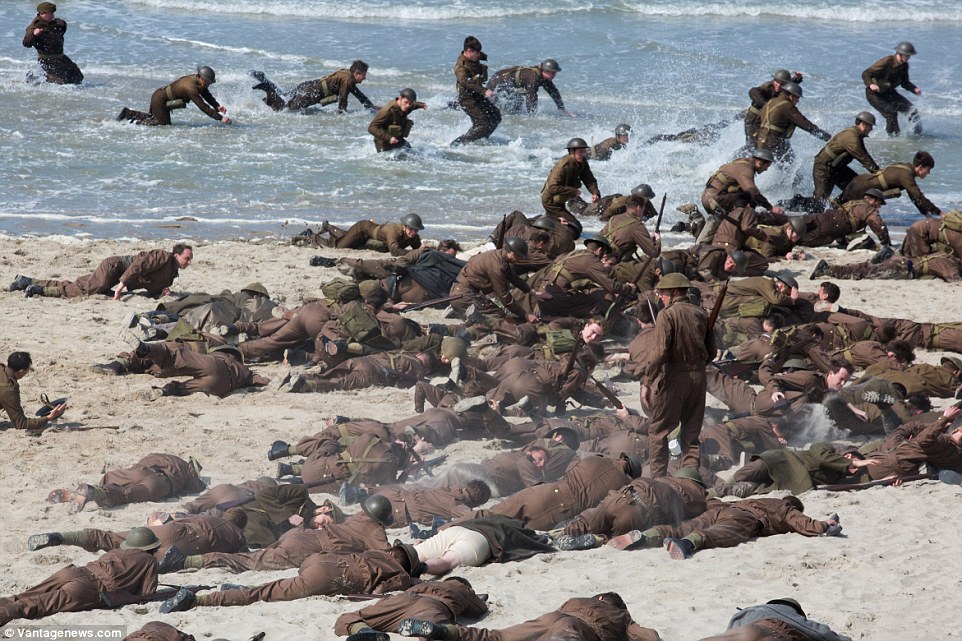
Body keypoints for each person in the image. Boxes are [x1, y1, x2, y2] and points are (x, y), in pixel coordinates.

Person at [159, 542, 422, 612]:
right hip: (329, 578)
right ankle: (198, 601)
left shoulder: (376, 552)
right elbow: (379, 595)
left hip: (321, 559)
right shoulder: (400, 575)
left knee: (273, 586)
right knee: (261, 594)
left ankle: (234, 588)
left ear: (393, 551)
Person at [642, 273, 713, 477]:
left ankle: (658, 481)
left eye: (663, 293)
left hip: (675, 377)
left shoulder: (667, 314)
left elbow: (659, 352)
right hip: (699, 377)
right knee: (691, 435)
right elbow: (713, 352)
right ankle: (690, 480)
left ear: (674, 292)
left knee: (659, 432)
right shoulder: (701, 313)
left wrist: (647, 381)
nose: (660, 297)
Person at [614, 495, 841, 559]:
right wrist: (823, 525)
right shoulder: (784, 507)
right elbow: (800, 522)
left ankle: (645, 536)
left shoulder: (760, 498)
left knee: (681, 526)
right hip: (741, 518)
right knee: (718, 534)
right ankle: (687, 544)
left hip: (720, 507)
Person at [0, 539, 158, 626]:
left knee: (24, 596)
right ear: (150, 548)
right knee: (36, 604)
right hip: (88, 588)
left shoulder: (116, 551)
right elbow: (147, 594)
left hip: (73, 572)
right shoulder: (150, 560)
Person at [396, 592, 661, 641]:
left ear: (599, 597)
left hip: (549, 618)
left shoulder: (577, 599)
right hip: (575, 629)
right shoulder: (621, 615)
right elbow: (649, 637)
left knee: (493, 637)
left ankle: (444, 631)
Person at [11, 243, 193, 299]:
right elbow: (139, 265)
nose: (189, 262)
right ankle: (39, 290)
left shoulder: (171, 275)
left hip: (119, 278)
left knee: (79, 285)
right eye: (187, 258)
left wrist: (161, 294)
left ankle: (28, 281)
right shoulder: (163, 256)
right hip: (114, 268)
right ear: (176, 255)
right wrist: (121, 287)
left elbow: (150, 290)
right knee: (85, 290)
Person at [47, 453, 206, 514]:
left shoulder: (161, 456)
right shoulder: (187, 469)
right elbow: (197, 487)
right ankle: (97, 494)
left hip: (141, 470)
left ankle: (92, 490)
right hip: (160, 483)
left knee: (110, 478)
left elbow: (142, 460)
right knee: (126, 494)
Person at [335, 578, 489, 640]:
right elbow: (480, 609)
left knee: (349, 617)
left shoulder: (427, 582)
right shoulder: (462, 588)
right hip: (430, 606)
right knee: (434, 633)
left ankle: (365, 631)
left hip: (401, 599)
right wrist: (473, 597)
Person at [698, 149, 783, 245]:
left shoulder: (742, 163)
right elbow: (752, 191)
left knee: (744, 199)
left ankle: (700, 222)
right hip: (715, 200)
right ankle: (745, 230)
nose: (766, 169)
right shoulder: (746, 169)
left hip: (710, 197)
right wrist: (770, 207)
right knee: (748, 199)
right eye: (767, 166)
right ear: (760, 163)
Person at [448, 238, 536, 321]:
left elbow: (512, 277)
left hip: (459, 292)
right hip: (464, 296)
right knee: (498, 316)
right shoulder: (497, 266)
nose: (521, 260)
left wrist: (531, 291)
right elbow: (504, 296)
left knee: (491, 314)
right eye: (520, 257)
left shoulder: (497, 255)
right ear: (513, 254)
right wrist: (526, 315)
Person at [838, 151, 940, 218]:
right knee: (846, 214)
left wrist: (927, 214)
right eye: (928, 170)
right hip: (861, 188)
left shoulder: (905, 168)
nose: (928, 173)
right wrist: (940, 213)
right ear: (921, 167)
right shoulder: (906, 176)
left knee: (838, 208)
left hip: (859, 181)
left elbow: (915, 198)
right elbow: (919, 198)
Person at [698, 598, 854, 641]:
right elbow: (825, 635)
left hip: (748, 629)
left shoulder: (749, 610)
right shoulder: (792, 615)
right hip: (777, 632)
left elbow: (731, 627)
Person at [118, 67, 230, 126]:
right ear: (201, 78)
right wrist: (221, 118)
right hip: (160, 99)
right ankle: (132, 120)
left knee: (155, 119)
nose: (209, 84)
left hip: (162, 98)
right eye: (208, 81)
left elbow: (205, 93)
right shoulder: (190, 88)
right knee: (161, 124)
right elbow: (203, 107)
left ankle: (128, 114)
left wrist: (217, 106)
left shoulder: (198, 81)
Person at [250, 61, 375, 113]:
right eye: (364, 75)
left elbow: (358, 94)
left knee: (285, 97)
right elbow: (343, 101)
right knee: (283, 109)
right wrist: (342, 116)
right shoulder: (348, 79)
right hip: (310, 93)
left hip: (308, 87)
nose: (364, 78)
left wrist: (370, 106)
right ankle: (267, 87)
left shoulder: (347, 76)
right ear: (356, 73)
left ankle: (264, 79)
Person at [812, 112, 880, 206]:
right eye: (870, 126)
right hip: (824, 167)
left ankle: (836, 207)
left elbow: (866, 156)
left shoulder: (857, 135)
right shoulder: (851, 137)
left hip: (837, 168)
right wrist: (878, 174)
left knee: (857, 187)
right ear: (863, 124)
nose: (871, 129)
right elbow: (863, 157)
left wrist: (877, 171)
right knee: (820, 201)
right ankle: (794, 206)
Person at [753, 81, 831, 164]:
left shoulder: (770, 102)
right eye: (797, 98)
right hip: (774, 143)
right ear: (791, 96)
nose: (798, 101)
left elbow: (757, 121)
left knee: (764, 167)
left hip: (761, 140)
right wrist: (828, 138)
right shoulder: (787, 106)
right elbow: (807, 125)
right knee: (792, 169)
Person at [862, 41, 922, 136]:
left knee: (912, 111)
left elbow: (905, 83)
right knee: (891, 114)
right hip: (874, 94)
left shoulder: (904, 65)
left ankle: (918, 136)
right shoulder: (887, 61)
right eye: (907, 55)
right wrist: (870, 84)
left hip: (890, 93)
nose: (909, 57)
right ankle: (893, 138)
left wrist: (914, 89)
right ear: (900, 54)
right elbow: (866, 73)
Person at [0, 351, 67, 431]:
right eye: (27, 371)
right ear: (21, 372)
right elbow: (21, 424)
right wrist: (49, 417)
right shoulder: (9, 390)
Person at [800, 189, 890, 248]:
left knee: (792, 224)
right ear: (874, 201)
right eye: (880, 203)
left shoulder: (854, 203)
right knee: (800, 240)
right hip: (829, 228)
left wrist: (842, 241)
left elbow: (845, 219)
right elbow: (878, 225)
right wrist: (887, 243)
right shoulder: (868, 209)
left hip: (823, 216)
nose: (879, 207)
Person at [453, 36, 501, 145]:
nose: (479, 55)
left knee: (496, 116)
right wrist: (484, 91)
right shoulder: (461, 67)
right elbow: (464, 82)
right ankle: (460, 143)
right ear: (469, 51)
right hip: (467, 99)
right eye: (477, 53)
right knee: (482, 124)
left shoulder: (474, 56)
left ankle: (481, 138)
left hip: (477, 95)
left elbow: (482, 55)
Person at [541, 137, 600, 224]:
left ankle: (550, 219)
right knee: (575, 226)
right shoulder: (563, 166)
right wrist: (574, 191)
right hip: (550, 202)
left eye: (584, 151)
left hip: (560, 200)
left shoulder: (582, 162)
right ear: (572, 152)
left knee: (570, 224)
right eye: (580, 152)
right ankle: (550, 219)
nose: (583, 154)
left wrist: (595, 192)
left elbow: (589, 179)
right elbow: (552, 188)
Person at [485, 59, 573, 116]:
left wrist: (562, 108)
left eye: (555, 73)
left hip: (511, 85)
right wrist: (532, 116)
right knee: (489, 103)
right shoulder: (534, 77)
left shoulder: (545, 78)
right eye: (552, 73)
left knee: (516, 105)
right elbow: (531, 97)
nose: (554, 75)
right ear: (545, 71)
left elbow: (553, 92)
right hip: (499, 79)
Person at [22, 2, 82, 85]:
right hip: (47, 60)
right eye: (51, 13)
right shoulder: (36, 25)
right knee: (59, 83)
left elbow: (60, 34)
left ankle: (40, 78)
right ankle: (34, 79)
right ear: (43, 13)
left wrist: (63, 24)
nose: (53, 16)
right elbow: (26, 43)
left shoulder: (52, 22)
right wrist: (34, 34)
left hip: (60, 57)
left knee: (77, 76)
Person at [314, 214, 424, 256]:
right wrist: (416, 252)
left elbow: (419, 249)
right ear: (404, 226)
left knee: (346, 237)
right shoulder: (394, 231)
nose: (413, 232)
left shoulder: (414, 237)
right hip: (362, 229)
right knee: (339, 246)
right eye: (411, 229)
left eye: (416, 230)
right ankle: (312, 236)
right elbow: (395, 252)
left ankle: (327, 227)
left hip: (370, 236)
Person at [743, 69, 802, 145]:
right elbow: (752, 91)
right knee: (752, 145)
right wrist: (767, 105)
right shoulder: (767, 87)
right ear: (773, 80)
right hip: (753, 119)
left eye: (782, 84)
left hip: (765, 120)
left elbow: (790, 86)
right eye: (777, 82)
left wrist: (797, 80)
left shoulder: (784, 89)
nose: (778, 86)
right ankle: (737, 156)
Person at [369, 88, 425, 152]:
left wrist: (421, 105)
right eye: (406, 102)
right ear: (400, 98)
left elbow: (413, 105)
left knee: (413, 154)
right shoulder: (387, 111)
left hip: (397, 139)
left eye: (410, 103)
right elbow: (371, 127)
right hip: (383, 142)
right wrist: (389, 138)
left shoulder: (406, 106)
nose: (407, 105)